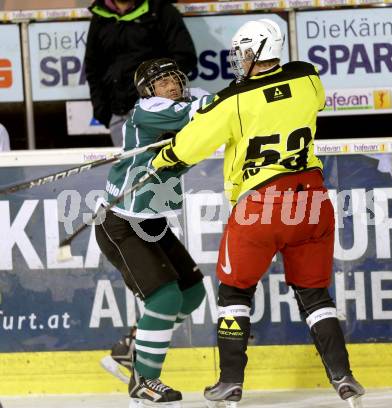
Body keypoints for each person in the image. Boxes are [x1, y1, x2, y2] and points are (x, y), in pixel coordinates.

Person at [151, 19, 365, 408]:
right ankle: (344, 378)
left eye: (244, 52)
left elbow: (190, 147)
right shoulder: (309, 79)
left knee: (235, 291)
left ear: (257, 51)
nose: (240, 59)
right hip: (313, 200)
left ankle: (230, 382)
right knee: (314, 294)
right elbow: (300, 101)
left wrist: (163, 157)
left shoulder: (232, 99)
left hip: (260, 205)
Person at [94, 58, 212, 407]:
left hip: (150, 221)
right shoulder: (149, 110)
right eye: (162, 83)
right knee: (164, 297)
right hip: (121, 223)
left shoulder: (183, 108)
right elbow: (205, 109)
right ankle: (144, 382)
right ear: (149, 91)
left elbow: (209, 116)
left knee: (191, 293)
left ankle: (131, 346)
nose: (172, 86)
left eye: (175, 79)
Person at [85, 0, 197, 147]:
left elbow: (185, 56)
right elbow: (93, 67)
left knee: (166, 167)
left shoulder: (160, 10)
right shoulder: (100, 15)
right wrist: (102, 110)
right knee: (131, 169)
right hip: (118, 116)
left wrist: (160, 98)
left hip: (159, 114)